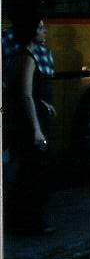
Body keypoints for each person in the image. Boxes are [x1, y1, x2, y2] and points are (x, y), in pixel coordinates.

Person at [2, 12, 56, 235]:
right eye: (41, 28)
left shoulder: (16, 56)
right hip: (27, 126)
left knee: (23, 172)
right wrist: (37, 130)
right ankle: (33, 222)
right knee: (33, 175)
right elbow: (25, 94)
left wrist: (41, 102)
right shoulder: (27, 59)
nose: (45, 31)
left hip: (17, 123)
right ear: (32, 33)